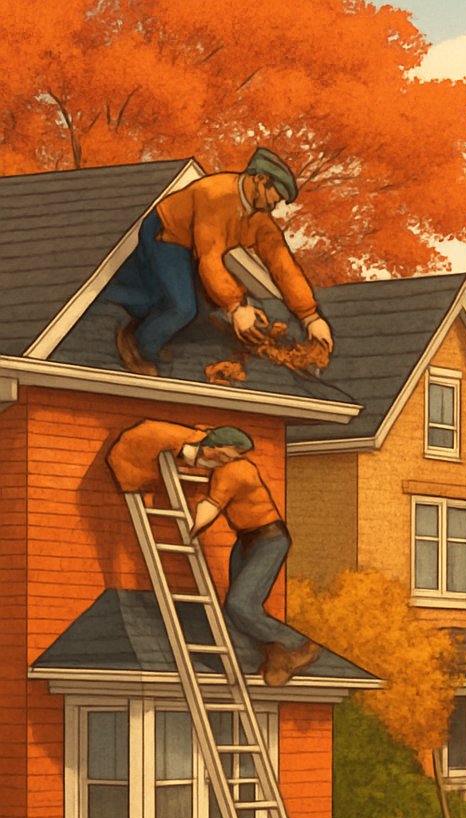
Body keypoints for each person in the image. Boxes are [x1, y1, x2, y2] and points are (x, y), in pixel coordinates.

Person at [107, 419, 319, 686]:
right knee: (237, 609)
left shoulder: (234, 470)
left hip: (269, 540)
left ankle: (298, 644)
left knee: (239, 605)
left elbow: (210, 508)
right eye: (225, 454)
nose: (226, 460)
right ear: (215, 446)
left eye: (229, 457)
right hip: (247, 541)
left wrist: (189, 533)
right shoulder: (206, 450)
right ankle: (276, 656)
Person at [101, 147, 334, 376]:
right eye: (278, 196)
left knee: (192, 308)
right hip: (165, 234)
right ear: (261, 180)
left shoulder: (259, 219)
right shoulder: (216, 196)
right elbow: (210, 259)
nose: (278, 204)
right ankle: (140, 348)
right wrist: (236, 307)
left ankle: (139, 316)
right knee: (182, 308)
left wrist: (310, 317)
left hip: (191, 247)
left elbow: (282, 264)